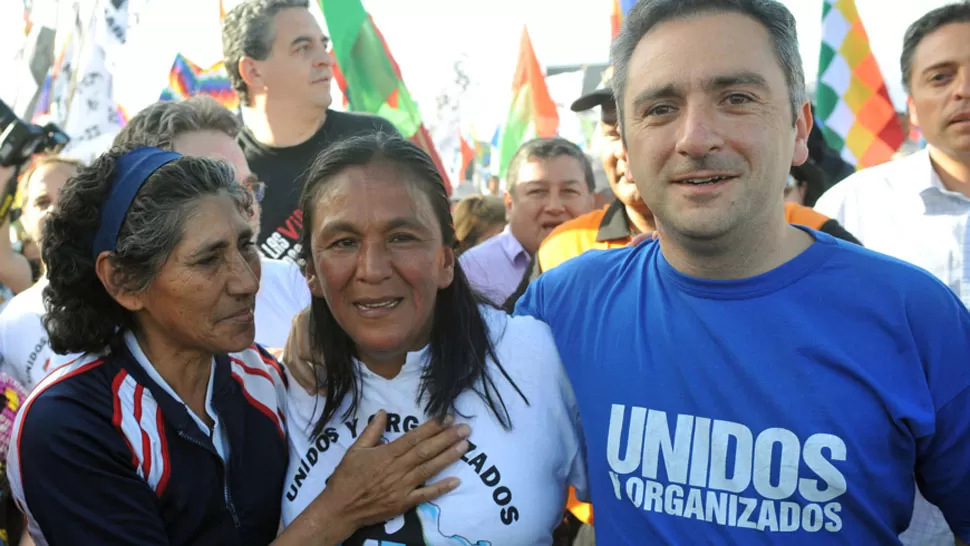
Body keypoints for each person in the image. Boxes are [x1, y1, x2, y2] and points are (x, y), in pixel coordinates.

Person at [514, 0, 970, 544]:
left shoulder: (915, 316)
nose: (695, 138)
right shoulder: (562, 305)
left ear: (800, 128)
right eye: (659, 108)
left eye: (736, 99)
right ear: (627, 147)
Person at [8, 146, 471, 545]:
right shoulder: (69, 425)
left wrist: (320, 323)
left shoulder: (263, 379)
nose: (248, 282)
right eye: (209, 259)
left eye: (246, 245)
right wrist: (338, 511)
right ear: (123, 280)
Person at [280, 133, 588, 545]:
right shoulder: (281, 386)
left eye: (401, 237)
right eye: (344, 242)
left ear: (446, 260)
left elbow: (636, 513)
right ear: (312, 273)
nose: (372, 269)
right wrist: (337, 511)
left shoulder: (538, 358)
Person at [814, 4, 970, 543]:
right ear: (911, 104)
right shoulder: (851, 208)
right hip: (888, 514)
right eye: (941, 76)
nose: (963, 91)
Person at [111, 97, 310, 349]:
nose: (246, 206)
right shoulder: (107, 348)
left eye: (248, 187)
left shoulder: (287, 282)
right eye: (214, 187)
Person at [223, 0, 399, 264]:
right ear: (253, 71)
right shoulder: (229, 173)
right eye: (303, 48)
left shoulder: (374, 138)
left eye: (323, 45)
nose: (326, 60)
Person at [459, 137, 595, 305]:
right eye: (538, 191)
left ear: (592, 202)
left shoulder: (611, 260)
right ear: (509, 204)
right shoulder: (474, 268)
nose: (554, 206)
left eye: (569, 191)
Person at [0, 157, 79, 390]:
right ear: (23, 220)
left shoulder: (130, 282)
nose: (54, 209)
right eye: (42, 202)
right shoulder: (9, 325)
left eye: (69, 196)